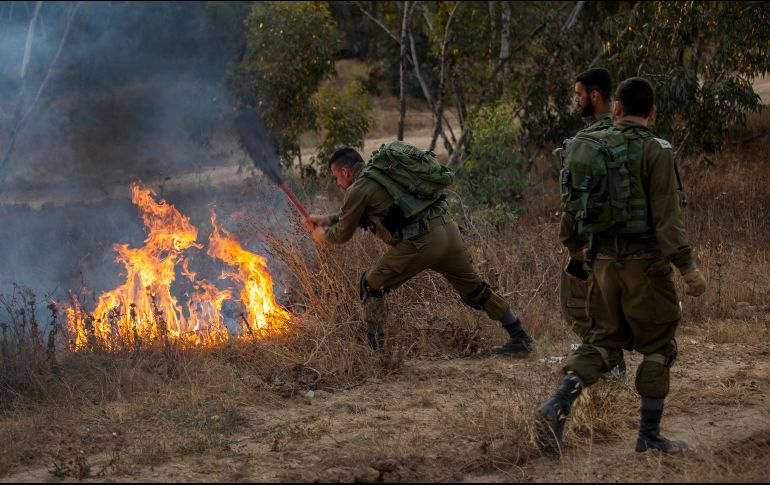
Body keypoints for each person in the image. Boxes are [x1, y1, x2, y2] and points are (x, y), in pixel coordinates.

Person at [537, 77, 707, 454]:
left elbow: (570, 219)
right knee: (660, 348)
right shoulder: (656, 150)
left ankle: (558, 404)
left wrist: (580, 254)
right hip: (645, 268)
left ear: (616, 108)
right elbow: (667, 218)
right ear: (652, 112)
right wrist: (688, 267)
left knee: (599, 343)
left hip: (601, 266)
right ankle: (648, 436)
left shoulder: (591, 147)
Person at [305, 146, 535, 354]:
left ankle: (377, 355)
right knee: (474, 289)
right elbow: (357, 212)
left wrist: (321, 236)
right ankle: (520, 337)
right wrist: (327, 218)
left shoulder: (358, 189)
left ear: (345, 171)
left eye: (336, 177)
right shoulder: (382, 173)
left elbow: (343, 233)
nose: (337, 183)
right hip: (447, 229)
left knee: (371, 284)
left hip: (422, 241)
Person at [560, 67, 627, 376]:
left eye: (579, 94)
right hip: (633, 241)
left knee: (575, 303)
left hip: (595, 243)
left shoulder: (584, 143)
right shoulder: (628, 135)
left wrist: (572, 247)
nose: (576, 100)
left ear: (594, 96)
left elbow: (571, 206)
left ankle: (606, 359)